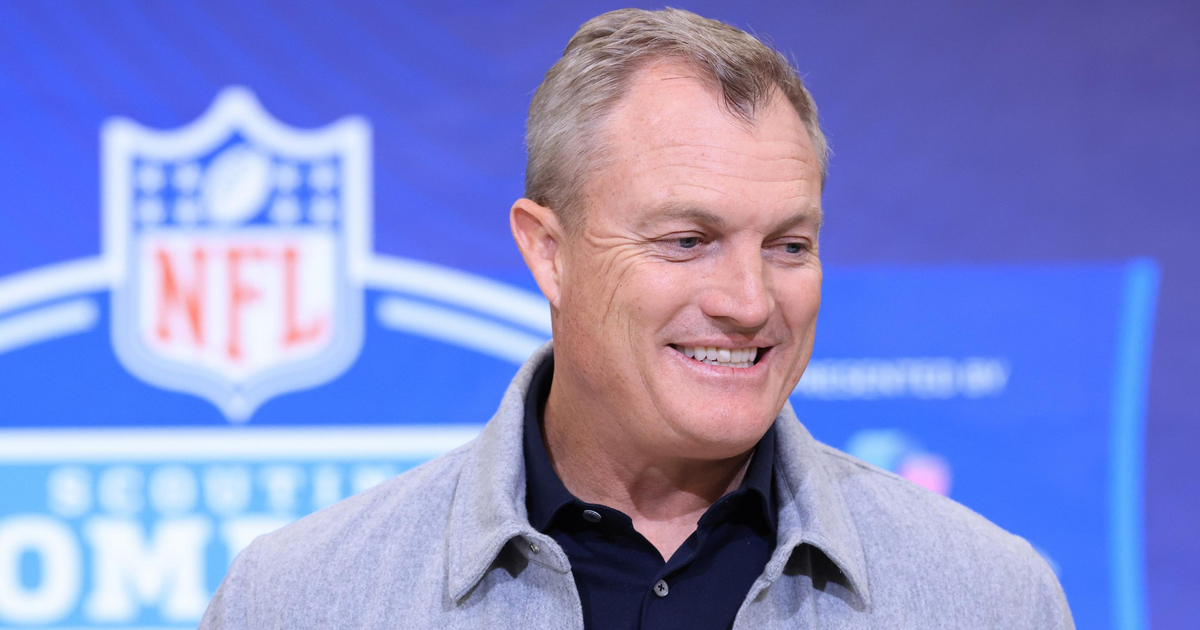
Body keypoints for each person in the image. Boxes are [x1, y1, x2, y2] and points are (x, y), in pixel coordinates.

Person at [201, 8, 1073, 629]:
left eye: (789, 245)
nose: (748, 302)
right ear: (549, 252)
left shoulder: (990, 598)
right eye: (688, 240)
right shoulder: (298, 601)